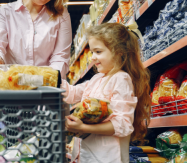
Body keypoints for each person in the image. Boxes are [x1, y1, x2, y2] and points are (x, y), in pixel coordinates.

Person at [63, 23, 151, 163]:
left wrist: (83, 127)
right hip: (86, 155)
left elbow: (123, 124)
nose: (92, 58)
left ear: (119, 52)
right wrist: (50, 78)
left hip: (107, 157)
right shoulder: (96, 79)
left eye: (98, 52)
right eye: (92, 52)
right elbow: (71, 93)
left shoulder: (121, 79)